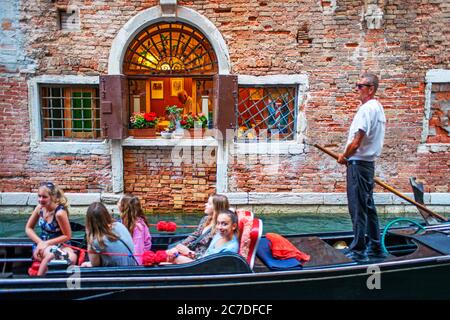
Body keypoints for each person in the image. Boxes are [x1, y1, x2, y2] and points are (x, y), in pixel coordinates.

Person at [337, 72, 387, 262]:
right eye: (357, 85)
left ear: (371, 89)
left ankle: (358, 249)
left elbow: (357, 142)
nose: (357, 89)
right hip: (367, 165)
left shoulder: (366, 109)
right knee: (368, 206)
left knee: (358, 207)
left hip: (358, 164)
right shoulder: (378, 108)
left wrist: (344, 156)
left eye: (360, 86)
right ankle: (374, 246)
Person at [25, 182, 77, 275]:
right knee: (51, 254)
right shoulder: (39, 208)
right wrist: (40, 243)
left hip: (61, 245)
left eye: (44, 197)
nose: (41, 200)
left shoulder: (59, 213)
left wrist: (47, 243)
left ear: (52, 197)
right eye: (39, 196)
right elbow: (28, 228)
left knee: (72, 258)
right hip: (42, 244)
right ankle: (39, 280)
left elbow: (67, 236)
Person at [166, 194, 230, 260]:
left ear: (217, 208)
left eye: (209, 204)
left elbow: (211, 252)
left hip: (200, 258)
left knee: (169, 257)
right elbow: (195, 235)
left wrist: (189, 253)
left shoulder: (220, 228)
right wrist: (180, 247)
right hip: (192, 250)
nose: (206, 204)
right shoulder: (206, 219)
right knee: (168, 252)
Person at [170, 209, 239, 264]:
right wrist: (190, 254)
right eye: (218, 223)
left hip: (203, 269)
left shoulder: (230, 249)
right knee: (171, 253)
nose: (219, 227)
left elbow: (212, 267)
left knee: (173, 258)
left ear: (234, 226)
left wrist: (186, 254)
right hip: (201, 261)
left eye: (224, 224)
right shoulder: (218, 235)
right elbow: (207, 255)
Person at [81, 202, 137, 267]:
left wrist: (89, 236)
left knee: (84, 264)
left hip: (118, 273)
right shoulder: (119, 225)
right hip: (133, 266)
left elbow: (95, 264)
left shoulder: (96, 241)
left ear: (89, 221)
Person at [118, 194, 152, 265]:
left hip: (136, 262)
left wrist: (136, 266)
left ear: (125, 207)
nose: (117, 204)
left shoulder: (138, 227)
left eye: (119, 202)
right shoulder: (124, 221)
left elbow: (138, 250)